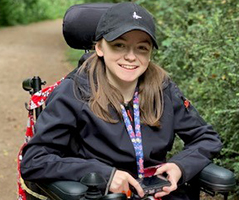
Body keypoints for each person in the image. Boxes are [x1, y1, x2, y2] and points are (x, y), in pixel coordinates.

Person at [20, 2, 222, 200]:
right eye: (119, 45)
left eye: (142, 48)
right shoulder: (73, 92)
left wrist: (181, 166)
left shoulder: (163, 89)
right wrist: (104, 175)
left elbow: (206, 138)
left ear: (150, 53)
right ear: (99, 47)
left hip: (158, 192)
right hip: (102, 194)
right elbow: (35, 160)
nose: (131, 56)